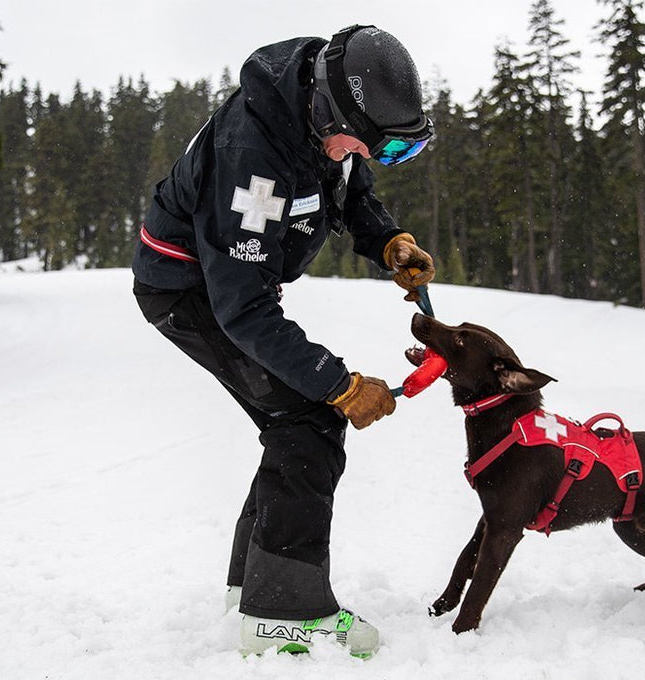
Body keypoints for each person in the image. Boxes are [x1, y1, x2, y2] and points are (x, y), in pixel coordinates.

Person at [131, 24, 435, 659]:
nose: (372, 157)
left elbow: (352, 189)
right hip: (189, 292)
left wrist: (387, 240)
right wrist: (342, 385)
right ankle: (283, 612)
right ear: (328, 112)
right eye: (374, 146)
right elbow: (240, 308)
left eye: (394, 152)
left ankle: (255, 591)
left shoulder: (328, 123)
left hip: (233, 288)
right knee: (308, 416)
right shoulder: (254, 157)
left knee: (296, 418)